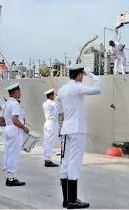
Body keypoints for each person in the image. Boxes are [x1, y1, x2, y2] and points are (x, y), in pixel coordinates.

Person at [53, 64, 101, 209]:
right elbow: (97, 88)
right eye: (82, 74)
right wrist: (91, 74)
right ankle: (73, 200)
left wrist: (59, 129)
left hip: (66, 130)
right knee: (75, 162)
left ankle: (66, 199)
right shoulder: (77, 87)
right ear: (79, 74)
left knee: (65, 162)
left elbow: (58, 111)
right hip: (77, 130)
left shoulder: (62, 90)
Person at [3, 83, 29, 186]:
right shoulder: (15, 104)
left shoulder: (6, 104)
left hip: (7, 128)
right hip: (14, 129)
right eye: (19, 91)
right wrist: (24, 127)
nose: (20, 93)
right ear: (14, 92)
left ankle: (8, 175)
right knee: (14, 154)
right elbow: (15, 119)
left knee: (8, 152)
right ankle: (11, 178)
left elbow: (1, 119)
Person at [43, 89, 59, 167]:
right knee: (50, 141)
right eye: (54, 95)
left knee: (46, 141)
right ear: (51, 96)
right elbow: (58, 106)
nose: (54, 97)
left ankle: (46, 158)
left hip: (47, 122)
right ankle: (48, 160)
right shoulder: (51, 103)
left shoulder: (44, 103)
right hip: (51, 123)